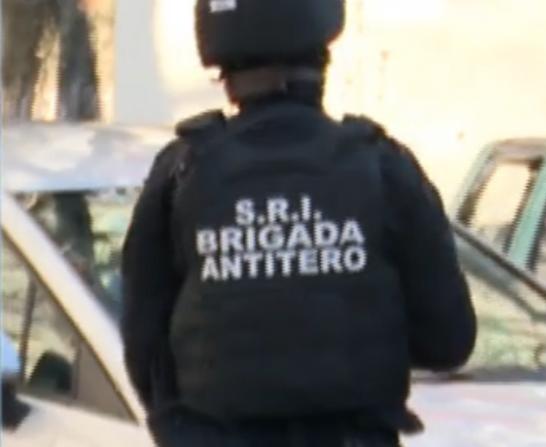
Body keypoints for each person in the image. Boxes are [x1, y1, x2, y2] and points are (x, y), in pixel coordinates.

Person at [121, 1, 477, 446]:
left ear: (224, 72)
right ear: (321, 60)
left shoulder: (180, 174)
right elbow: (448, 342)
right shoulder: (382, 167)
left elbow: (145, 355)